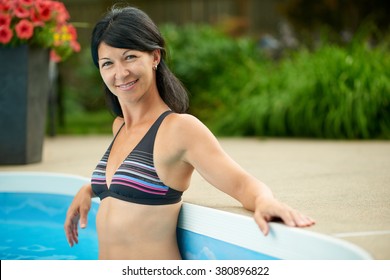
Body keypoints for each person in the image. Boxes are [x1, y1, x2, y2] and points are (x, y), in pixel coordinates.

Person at [64, 6, 315, 260]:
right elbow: (122, 188)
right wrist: (90, 189)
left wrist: (264, 202)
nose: (120, 73)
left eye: (130, 57)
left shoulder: (179, 129)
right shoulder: (119, 126)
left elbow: (241, 183)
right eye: (108, 63)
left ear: (155, 57)